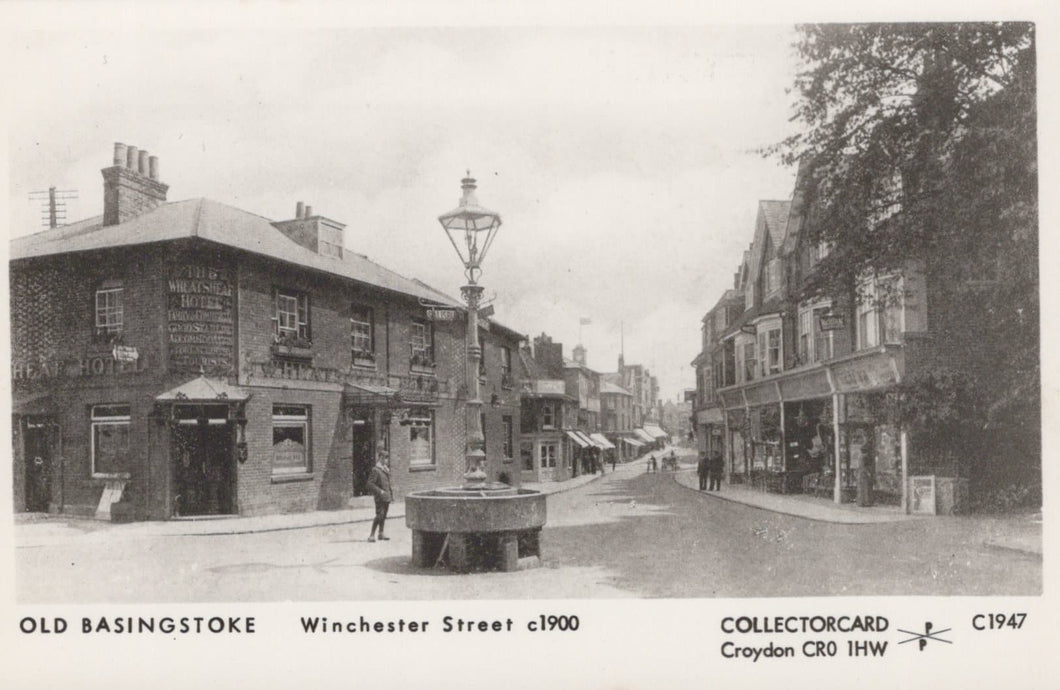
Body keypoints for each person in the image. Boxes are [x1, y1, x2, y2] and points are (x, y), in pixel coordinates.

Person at [366, 450, 393, 542]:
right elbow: (369, 484)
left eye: (387, 458)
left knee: (384, 515)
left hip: (386, 496)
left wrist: (390, 494)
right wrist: (380, 491)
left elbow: (387, 483)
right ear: (381, 458)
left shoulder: (385, 469)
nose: (387, 460)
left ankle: (381, 533)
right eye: (385, 458)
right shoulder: (376, 470)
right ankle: (371, 535)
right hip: (380, 497)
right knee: (379, 515)